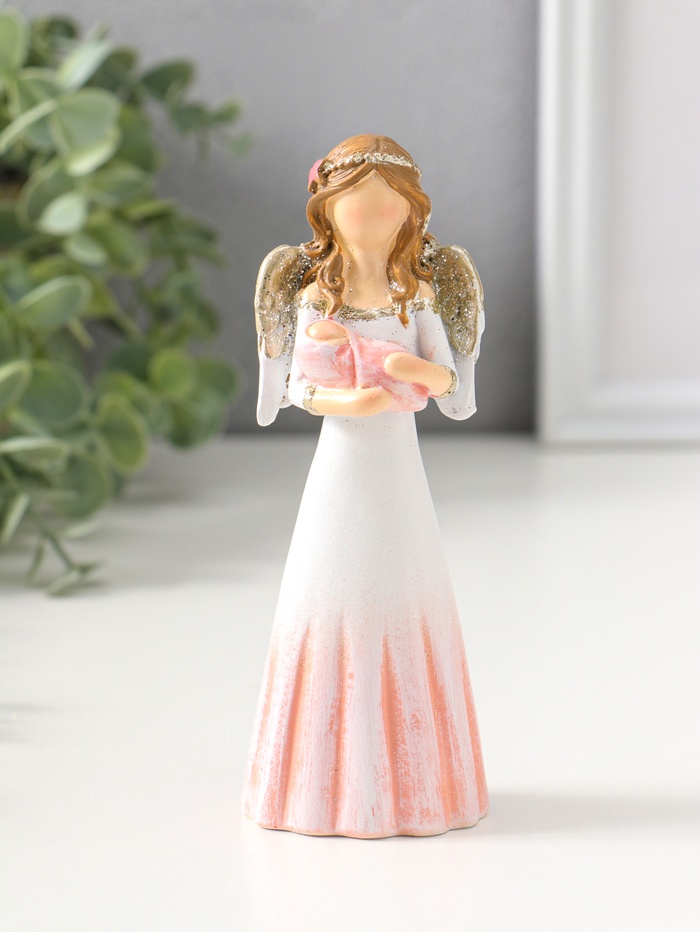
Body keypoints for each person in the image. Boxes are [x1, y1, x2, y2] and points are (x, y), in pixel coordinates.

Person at [243, 134, 488, 838]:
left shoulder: (418, 299)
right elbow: (295, 386)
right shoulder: (315, 296)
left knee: (403, 579)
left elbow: (450, 385)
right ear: (328, 208)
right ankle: (309, 786)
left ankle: (421, 784)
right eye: (358, 201)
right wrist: (348, 403)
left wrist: (415, 373)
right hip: (342, 465)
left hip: (397, 467)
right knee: (331, 580)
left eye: (389, 203)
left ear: (411, 212)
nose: (374, 214)